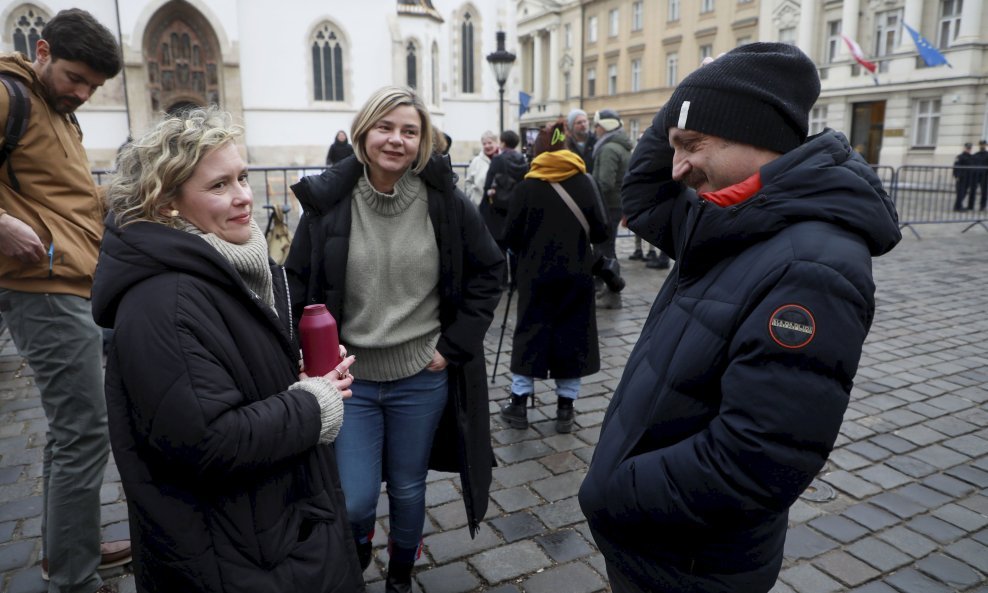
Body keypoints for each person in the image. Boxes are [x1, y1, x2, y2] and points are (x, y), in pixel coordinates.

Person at [579, 43, 901, 593]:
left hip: (691, 563)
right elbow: (646, 194)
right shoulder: (733, 211)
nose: (676, 166)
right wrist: (690, 102)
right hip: (659, 544)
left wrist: (610, 493)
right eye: (674, 146)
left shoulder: (812, 263)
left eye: (691, 145)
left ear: (756, 135)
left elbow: (754, 462)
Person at [91, 107, 364, 593]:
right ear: (167, 202)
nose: (243, 197)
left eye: (241, 177)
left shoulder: (234, 265)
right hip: (235, 553)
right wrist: (310, 403)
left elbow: (222, 383)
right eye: (218, 186)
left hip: (271, 529)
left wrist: (289, 373)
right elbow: (206, 440)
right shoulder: (164, 302)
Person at [286, 86, 504, 592]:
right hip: (352, 383)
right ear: (364, 133)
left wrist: (453, 347)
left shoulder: (444, 201)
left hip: (420, 377)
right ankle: (358, 547)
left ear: (423, 140)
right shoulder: (329, 204)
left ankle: (402, 572)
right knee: (357, 498)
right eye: (385, 127)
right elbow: (295, 284)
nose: (397, 140)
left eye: (410, 131)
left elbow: (489, 270)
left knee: (408, 489)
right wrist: (304, 355)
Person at [0, 9, 131, 592]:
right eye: (76, 78)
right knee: (83, 431)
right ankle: (73, 576)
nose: (83, 93)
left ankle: (68, 550)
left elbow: (64, 199)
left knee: (70, 431)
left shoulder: (55, 111)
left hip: (70, 280)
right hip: (42, 288)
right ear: (43, 49)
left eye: (94, 88)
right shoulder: (9, 96)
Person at [498, 120, 608, 433]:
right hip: (576, 273)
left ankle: (519, 403)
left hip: (534, 275)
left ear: (538, 151)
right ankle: (565, 408)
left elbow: (510, 236)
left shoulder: (527, 185)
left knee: (530, 332)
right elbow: (601, 230)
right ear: (567, 148)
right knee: (572, 336)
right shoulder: (584, 182)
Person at [590, 109, 634, 309]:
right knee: (608, 247)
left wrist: (589, 191)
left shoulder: (608, 149)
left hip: (607, 205)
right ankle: (609, 288)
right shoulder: (621, 145)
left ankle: (612, 290)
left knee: (605, 249)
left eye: (597, 125)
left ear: (603, 127)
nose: (595, 129)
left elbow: (604, 183)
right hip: (617, 204)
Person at [482, 129, 529, 245]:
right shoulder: (523, 160)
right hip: (516, 206)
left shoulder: (498, 159)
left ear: (502, 143)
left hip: (498, 209)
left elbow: (487, 185)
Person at [464, 130, 498, 206]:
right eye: (484, 144)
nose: (487, 146)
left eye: (489, 143)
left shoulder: (502, 159)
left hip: (499, 206)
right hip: (479, 205)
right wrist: (472, 197)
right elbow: (468, 181)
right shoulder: (476, 161)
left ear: (496, 143)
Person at [953, 142, 974, 211]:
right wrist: (957, 176)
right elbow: (956, 166)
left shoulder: (971, 157)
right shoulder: (960, 156)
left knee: (964, 192)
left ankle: (957, 206)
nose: (969, 149)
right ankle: (958, 207)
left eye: (970, 148)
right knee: (960, 192)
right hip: (961, 177)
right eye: (968, 148)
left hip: (968, 177)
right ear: (965, 148)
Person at [972, 139, 988, 211]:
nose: (982, 146)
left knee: (984, 191)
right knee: (972, 190)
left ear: (986, 145)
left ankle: (982, 206)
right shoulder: (976, 155)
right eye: (981, 144)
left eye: (983, 144)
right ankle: (970, 205)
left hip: (984, 176)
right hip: (975, 175)